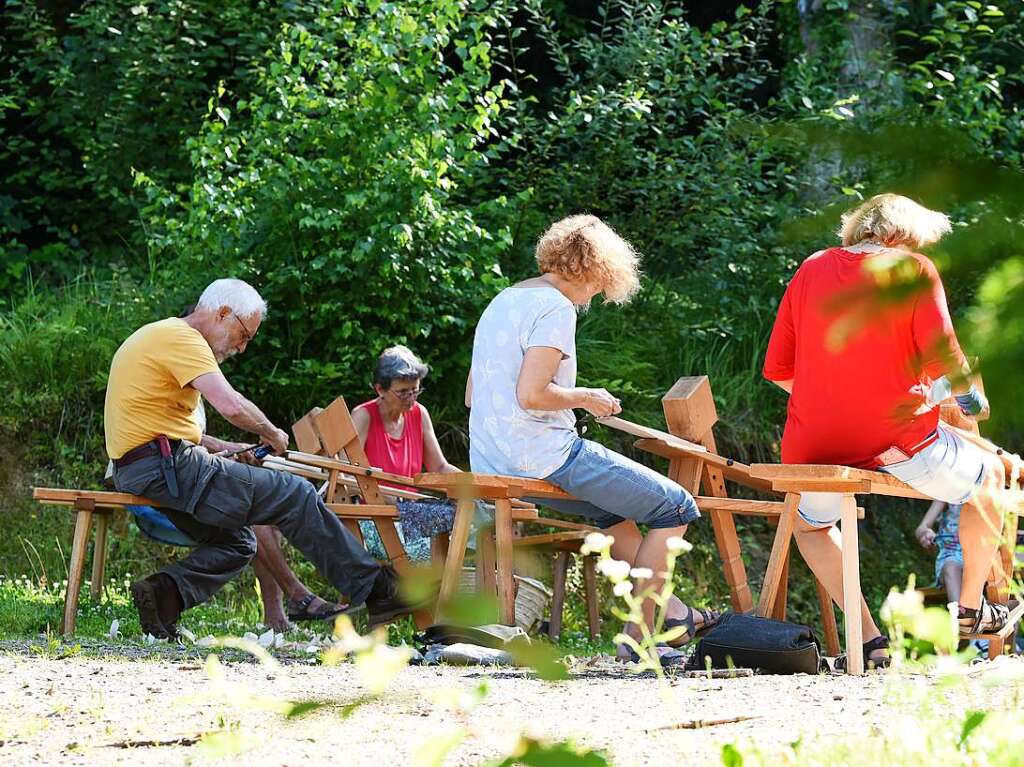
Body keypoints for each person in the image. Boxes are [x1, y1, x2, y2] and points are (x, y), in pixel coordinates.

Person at [762, 193, 1010, 669]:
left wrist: (833, 399)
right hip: (896, 441)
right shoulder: (912, 269)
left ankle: (871, 640)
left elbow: (777, 370)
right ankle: (971, 610)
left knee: (810, 526)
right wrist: (974, 404)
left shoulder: (812, 267)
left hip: (813, 443)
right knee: (989, 479)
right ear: (903, 236)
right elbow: (948, 364)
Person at [105, 278, 423, 639]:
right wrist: (271, 433)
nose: (241, 348)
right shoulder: (184, 338)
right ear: (223, 313)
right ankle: (378, 590)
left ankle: (163, 595)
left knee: (239, 543)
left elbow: (166, 427)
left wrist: (226, 448)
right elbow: (231, 405)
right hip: (166, 467)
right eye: (243, 335)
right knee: (293, 494)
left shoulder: (161, 336)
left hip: (145, 467)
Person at [467, 214, 716, 665]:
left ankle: (674, 617)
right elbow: (531, 394)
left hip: (492, 459)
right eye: (601, 285)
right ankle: (636, 639)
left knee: (614, 514)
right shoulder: (555, 307)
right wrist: (587, 397)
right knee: (676, 505)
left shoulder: (503, 301)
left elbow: (473, 394)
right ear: (592, 269)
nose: (599, 295)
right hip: (540, 454)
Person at [351, 346, 461, 561]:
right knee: (441, 553)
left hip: (412, 516)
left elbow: (439, 467)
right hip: (377, 521)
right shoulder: (364, 416)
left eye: (415, 390)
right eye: (403, 392)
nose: (411, 398)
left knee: (473, 531)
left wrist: (472, 483)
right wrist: (392, 500)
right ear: (380, 389)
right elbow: (348, 477)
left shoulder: (420, 413)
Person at [916, 500, 964, 604]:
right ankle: (960, 616)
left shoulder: (993, 492)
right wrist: (925, 533)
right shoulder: (949, 491)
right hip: (951, 556)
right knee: (951, 567)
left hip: (980, 555)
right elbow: (922, 527)